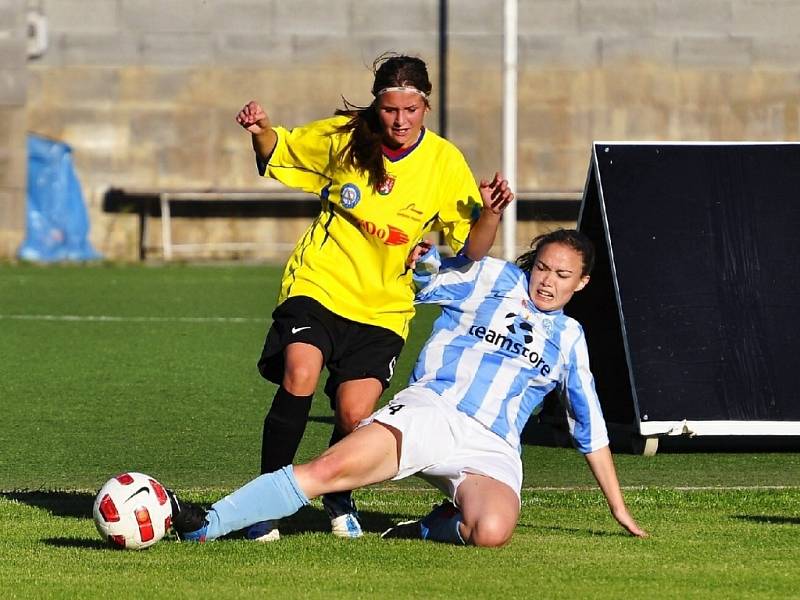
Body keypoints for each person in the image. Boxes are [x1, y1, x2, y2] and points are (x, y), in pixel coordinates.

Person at [171, 229, 648, 546]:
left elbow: (591, 430)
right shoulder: (495, 278)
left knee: (493, 531)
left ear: (581, 283)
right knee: (326, 470)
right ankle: (209, 522)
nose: (547, 281)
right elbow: (430, 281)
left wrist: (618, 509)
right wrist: (426, 260)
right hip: (432, 411)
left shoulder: (570, 339)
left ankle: (425, 528)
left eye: (562, 275)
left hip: (492, 448)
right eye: (542, 267)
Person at [235, 53, 513, 541]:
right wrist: (259, 128)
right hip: (320, 284)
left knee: (352, 414)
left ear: (426, 107)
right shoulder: (346, 136)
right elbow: (281, 149)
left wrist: (489, 212)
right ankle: (265, 500)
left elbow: (472, 248)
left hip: (383, 306)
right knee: (300, 372)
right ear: (376, 105)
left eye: (410, 110)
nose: (400, 121)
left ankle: (339, 495)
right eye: (389, 110)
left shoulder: (445, 162)